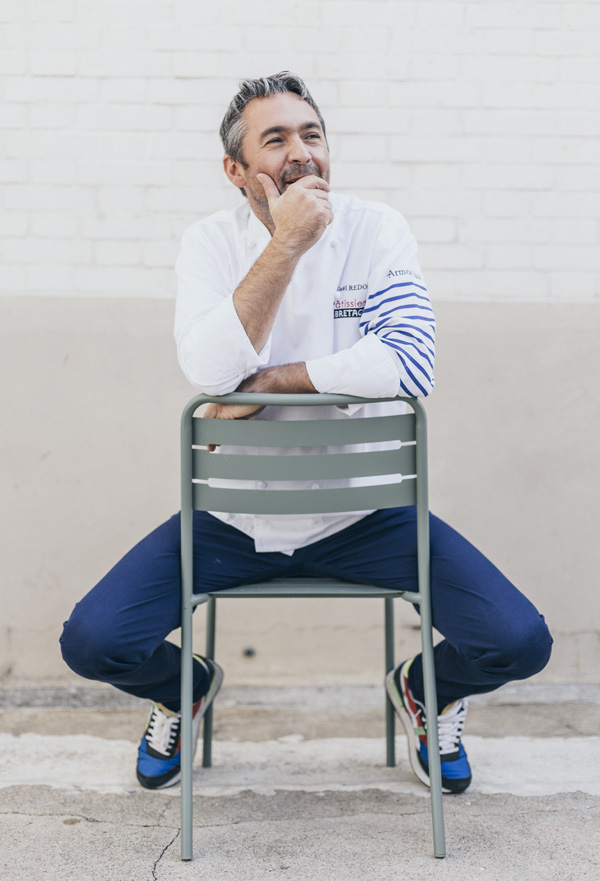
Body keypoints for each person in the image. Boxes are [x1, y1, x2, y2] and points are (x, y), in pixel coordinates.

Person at [60, 72, 553, 794]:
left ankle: (430, 688)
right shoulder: (207, 244)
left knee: (519, 641)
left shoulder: (377, 229)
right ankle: (183, 687)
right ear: (236, 170)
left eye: (312, 134)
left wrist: (265, 385)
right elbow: (208, 366)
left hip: (366, 517)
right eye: (277, 139)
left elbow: (410, 360)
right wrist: (286, 245)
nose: (302, 152)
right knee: (94, 641)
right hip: (229, 523)